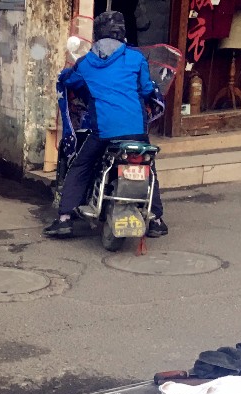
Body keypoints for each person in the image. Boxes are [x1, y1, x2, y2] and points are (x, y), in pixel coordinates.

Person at [45, 11, 168, 239]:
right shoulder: (136, 58)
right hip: (136, 131)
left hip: (104, 131)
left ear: (96, 34)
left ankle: (64, 219)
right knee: (148, 168)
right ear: (122, 33)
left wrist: (64, 75)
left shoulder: (85, 62)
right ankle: (156, 220)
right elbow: (146, 90)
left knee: (81, 166)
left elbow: (70, 81)